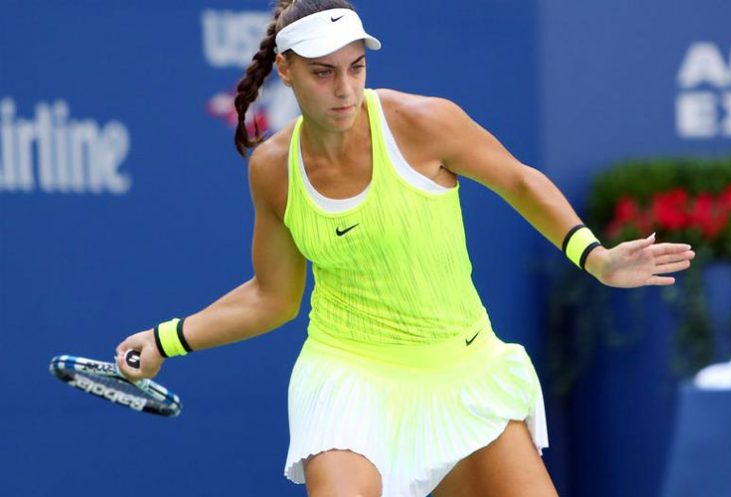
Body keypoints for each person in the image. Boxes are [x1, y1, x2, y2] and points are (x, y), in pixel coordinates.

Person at [115, 1, 695, 496]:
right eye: (323, 73)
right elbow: (273, 296)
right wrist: (166, 339)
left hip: (465, 368)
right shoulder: (273, 168)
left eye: (356, 67)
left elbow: (519, 181)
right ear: (286, 71)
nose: (345, 89)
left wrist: (595, 257)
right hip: (349, 373)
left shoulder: (424, 123)